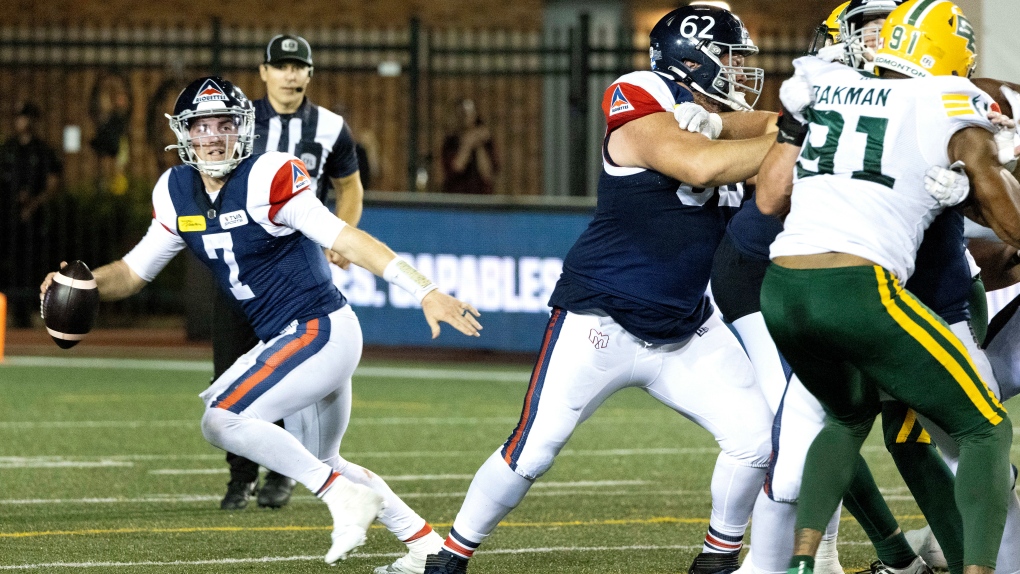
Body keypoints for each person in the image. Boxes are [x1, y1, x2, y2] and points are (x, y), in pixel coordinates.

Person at [40, 76, 480, 570]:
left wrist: (425, 289)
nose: (212, 137)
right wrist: (82, 286)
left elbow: (347, 238)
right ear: (183, 134)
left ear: (243, 130)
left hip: (319, 330)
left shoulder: (270, 176)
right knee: (325, 459)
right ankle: (426, 548)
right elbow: (131, 272)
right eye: (200, 126)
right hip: (297, 338)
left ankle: (342, 498)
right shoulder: (175, 192)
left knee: (222, 418)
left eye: (224, 125)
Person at [424, 6, 779, 573]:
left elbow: (769, 127)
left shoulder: (719, 117)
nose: (739, 70)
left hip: (687, 324)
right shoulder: (639, 91)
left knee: (757, 439)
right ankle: (450, 556)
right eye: (730, 57)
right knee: (534, 448)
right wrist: (797, 136)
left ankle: (716, 559)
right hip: (602, 318)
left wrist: (796, 130)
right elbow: (701, 166)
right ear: (692, 56)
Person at [754, 2, 1020, 574]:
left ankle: (803, 562)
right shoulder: (948, 100)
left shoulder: (822, 86)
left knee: (845, 419)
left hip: (780, 287)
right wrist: (984, 172)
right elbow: (1008, 219)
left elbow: (769, 200)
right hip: (860, 287)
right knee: (986, 428)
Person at [212, 33, 368, 513]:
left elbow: (350, 187)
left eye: (299, 66)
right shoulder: (239, 121)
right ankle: (240, 477)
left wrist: (342, 236)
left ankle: (283, 472)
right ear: (263, 72)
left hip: (294, 270)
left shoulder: (330, 126)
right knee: (231, 369)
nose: (290, 74)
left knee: (292, 373)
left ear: (310, 74)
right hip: (242, 264)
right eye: (280, 66)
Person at [0, 102, 62, 328]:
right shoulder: (8, 150)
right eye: (20, 117)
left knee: (31, 264)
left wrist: (33, 203)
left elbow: (52, 183)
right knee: (10, 264)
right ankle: (10, 309)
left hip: (34, 221)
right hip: (8, 219)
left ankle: (27, 312)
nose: (22, 122)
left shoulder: (42, 151)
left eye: (27, 117)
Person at [440, 98, 498, 194]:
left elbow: (487, 174)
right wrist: (467, 144)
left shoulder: (486, 142)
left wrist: (478, 143)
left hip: (481, 197)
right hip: (457, 197)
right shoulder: (451, 142)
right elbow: (456, 168)